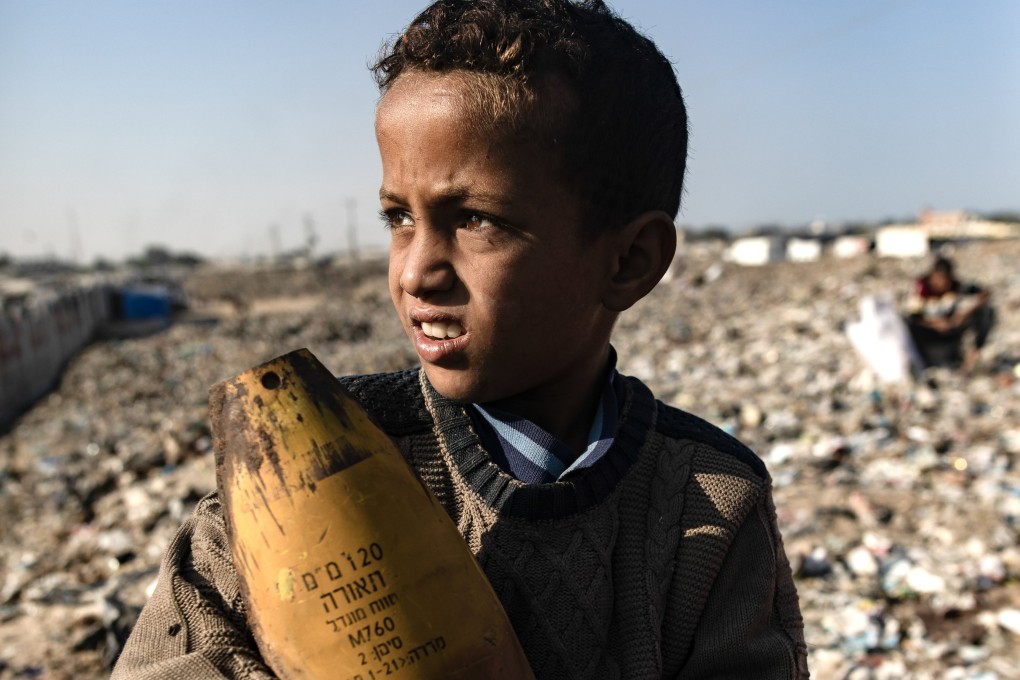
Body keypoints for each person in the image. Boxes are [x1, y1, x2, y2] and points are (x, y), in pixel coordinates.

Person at [112, 1, 808, 677]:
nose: (416, 271)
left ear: (628, 262)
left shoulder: (707, 503)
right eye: (399, 218)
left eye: (476, 220)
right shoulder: (294, 486)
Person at [904, 255, 994, 373]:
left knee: (986, 313)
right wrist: (934, 323)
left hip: (951, 330)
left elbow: (984, 293)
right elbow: (913, 316)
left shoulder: (957, 287)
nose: (942, 284)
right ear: (933, 276)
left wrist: (962, 315)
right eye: (939, 279)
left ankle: (971, 358)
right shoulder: (921, 288)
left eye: (946, 280)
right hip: (927, 332)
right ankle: (919, 363)